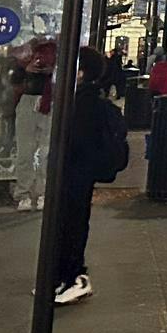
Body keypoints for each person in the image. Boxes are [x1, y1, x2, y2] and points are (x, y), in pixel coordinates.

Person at [55, 46, 129, 306]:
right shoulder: (85, 99)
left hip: (76, 171)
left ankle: (74, 277)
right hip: (81, 172)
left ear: (81, 72)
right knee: (71, 222)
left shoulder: (81, 103)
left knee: (70, 224)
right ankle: (66, 277)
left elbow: (77, 140)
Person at [9, 34, 57, 211]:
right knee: (26, 151)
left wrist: (50, 71)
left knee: (45, 151)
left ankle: (40, 193)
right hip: (31, 99)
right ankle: (26, 193)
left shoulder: (58, 53)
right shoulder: (27, 54)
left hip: (47, 100)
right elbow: (15, 77)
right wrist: (26, 69)